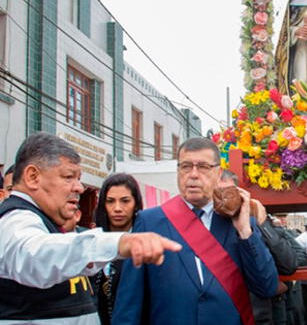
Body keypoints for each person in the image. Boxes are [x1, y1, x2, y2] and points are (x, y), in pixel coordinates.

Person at [0, 132, 181, 323]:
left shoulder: (45, 221)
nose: (79, 187)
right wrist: (119, 242)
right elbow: (36, 255)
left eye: (79, 178)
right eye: (69, 177)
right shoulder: (15, 221)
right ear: (33, 177)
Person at [112, 138, 279, 324]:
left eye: (203, 167)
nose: (193, 175)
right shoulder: (149, 222)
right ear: (177, 171)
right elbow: (129, 301)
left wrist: (245, 233)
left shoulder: (238, 222)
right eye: (185, 167)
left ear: (219, 173)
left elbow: (267, 287)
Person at [218, 170, 300, 325]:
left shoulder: (255, 222)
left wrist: (262, 224)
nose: (224, 199)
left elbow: (289, 265)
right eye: (218, 193)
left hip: (261, 315)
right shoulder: (205, 228)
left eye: (229, 192)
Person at [92, 173, 143, 325]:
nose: (117, 208)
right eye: (110, 201)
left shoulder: (143, 246)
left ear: (136, 203)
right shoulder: (93, 242)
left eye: (125, 201)